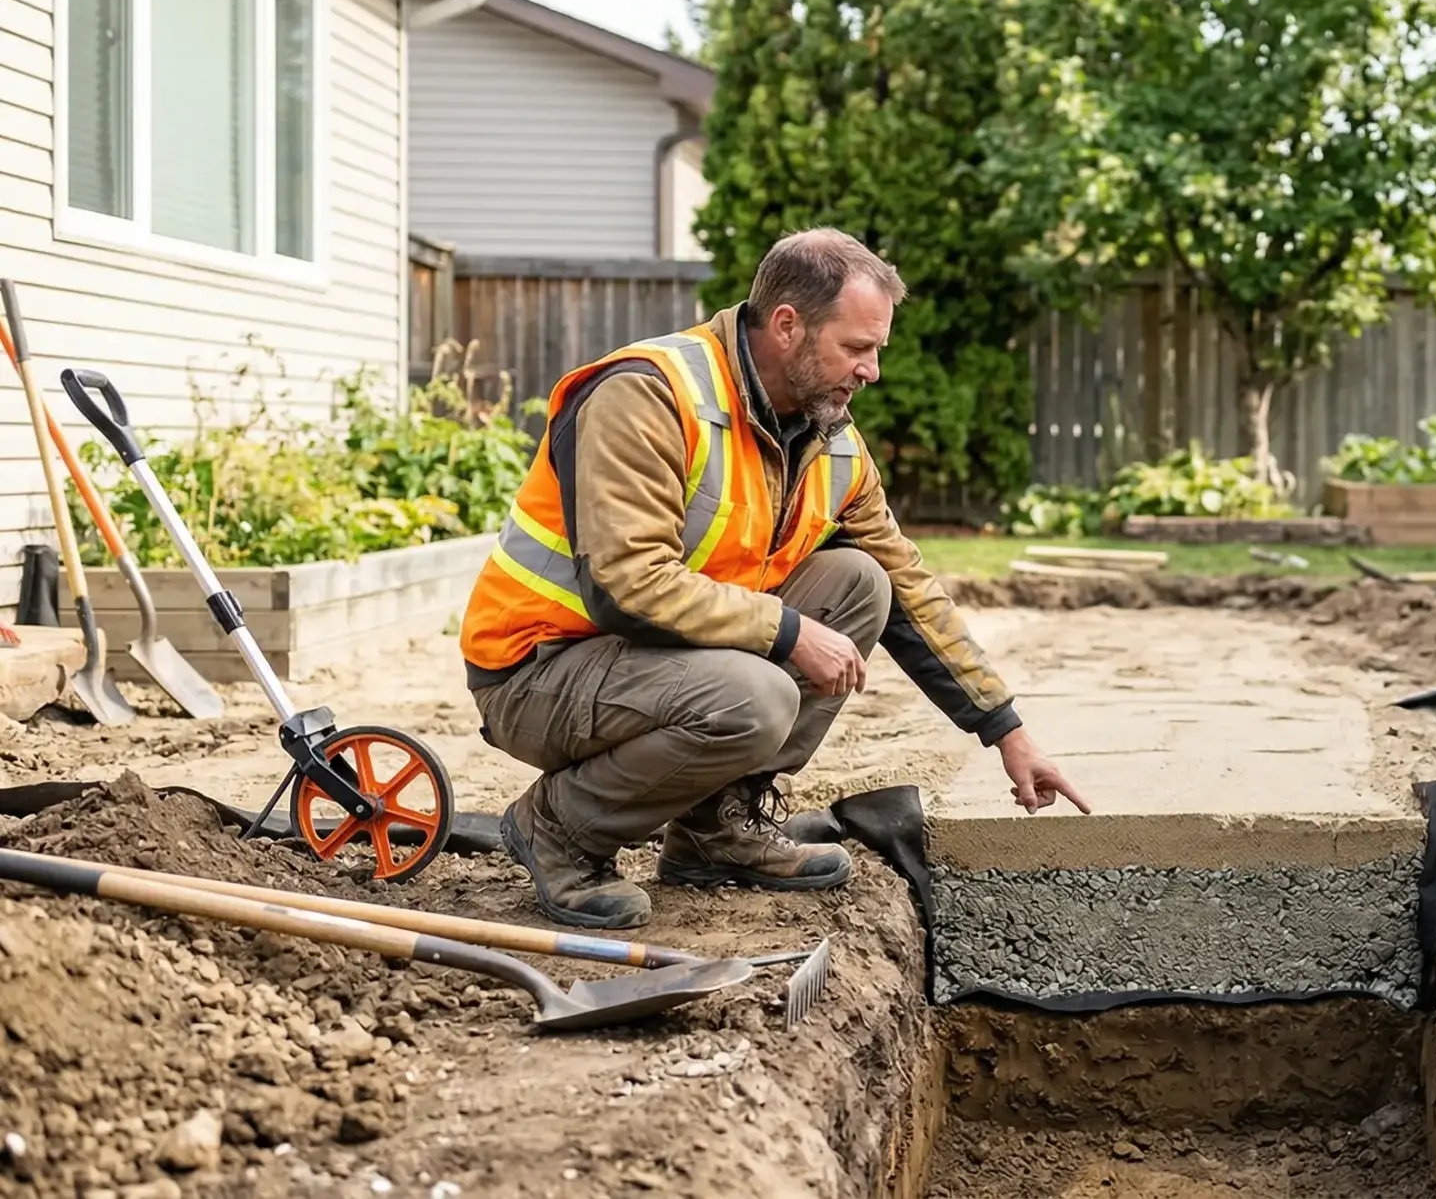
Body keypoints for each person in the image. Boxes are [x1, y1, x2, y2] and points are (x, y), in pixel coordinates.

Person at [459, 228, 1090, 929]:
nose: (873, 370)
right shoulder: (648, 395)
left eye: (877, 349)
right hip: (538, 670)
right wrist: (787, 633)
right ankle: (559, 831)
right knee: (755, 697)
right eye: (857, 348)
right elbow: (628, 583)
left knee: (860, 583)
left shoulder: (831, 440)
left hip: (657, 658)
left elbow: (907, 585)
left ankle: (713, 831)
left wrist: (1007, 731)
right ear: (788, 325)